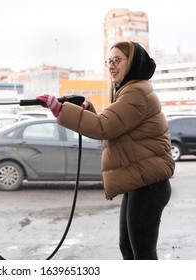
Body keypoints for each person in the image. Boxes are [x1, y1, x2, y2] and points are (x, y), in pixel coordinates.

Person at [36, 41, 175, 260]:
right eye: (109, 61)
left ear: (133, 63)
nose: (111, 66)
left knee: (143, 255)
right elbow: (114, 122)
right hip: (140, 181)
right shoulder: (128, 89)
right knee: (129, 249)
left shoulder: (136, 92)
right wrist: (89, 110)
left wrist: (60, 109)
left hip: (149, 186)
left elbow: (103, 127)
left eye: (118, 60)